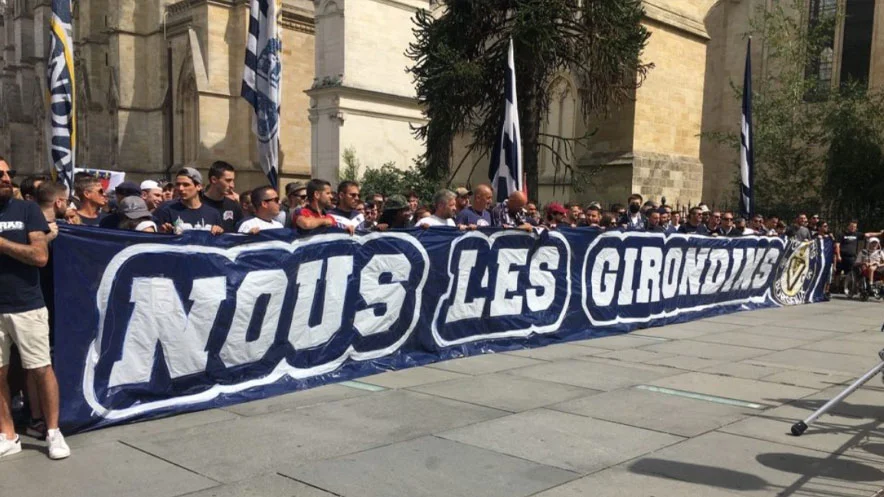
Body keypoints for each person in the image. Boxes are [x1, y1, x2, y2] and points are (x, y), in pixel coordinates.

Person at [0, 159, 70, 460]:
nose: (6, 178)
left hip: (26, 305)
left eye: (8, 173)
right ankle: (8, 434)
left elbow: (40, 256)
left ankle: (54, 432)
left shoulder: (26, 210)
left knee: (41, 369)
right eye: (0, 174)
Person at [152, 168, 223, 234]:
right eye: (178, 184)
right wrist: (163, 232)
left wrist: (218, 231)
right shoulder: (166, 210)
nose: (180, 188)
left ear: (199, 186)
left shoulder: (213, 214)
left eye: (186, 185)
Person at [201, 161, 243, 233]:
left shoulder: (233, 206)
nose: (232, 185)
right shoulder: (197, 203)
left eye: (233, 180)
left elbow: (241, 231)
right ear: (214, 180)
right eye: (228, 180)